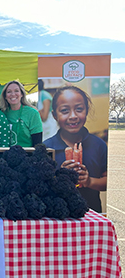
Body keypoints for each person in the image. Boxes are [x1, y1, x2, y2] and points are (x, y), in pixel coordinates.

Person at [44, 85, 107, 213]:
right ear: (54, 115)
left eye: (79, 109)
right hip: (57, 216)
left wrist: (89, 181)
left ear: (87, 111)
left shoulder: (99, 145)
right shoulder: (46, 148)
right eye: (65, 110)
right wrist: (59, 179)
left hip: (91, 216)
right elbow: (40, 187)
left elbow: (107, 182)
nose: (73, 116)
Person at [0, 80, 43, 147]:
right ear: (5, 96)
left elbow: (37, 143)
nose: (13, 94)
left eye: (16, 91)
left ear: (22, 94)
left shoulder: (32, 113)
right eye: (9, 92)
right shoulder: (1, 113)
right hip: (6, 155)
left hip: (27, 155)